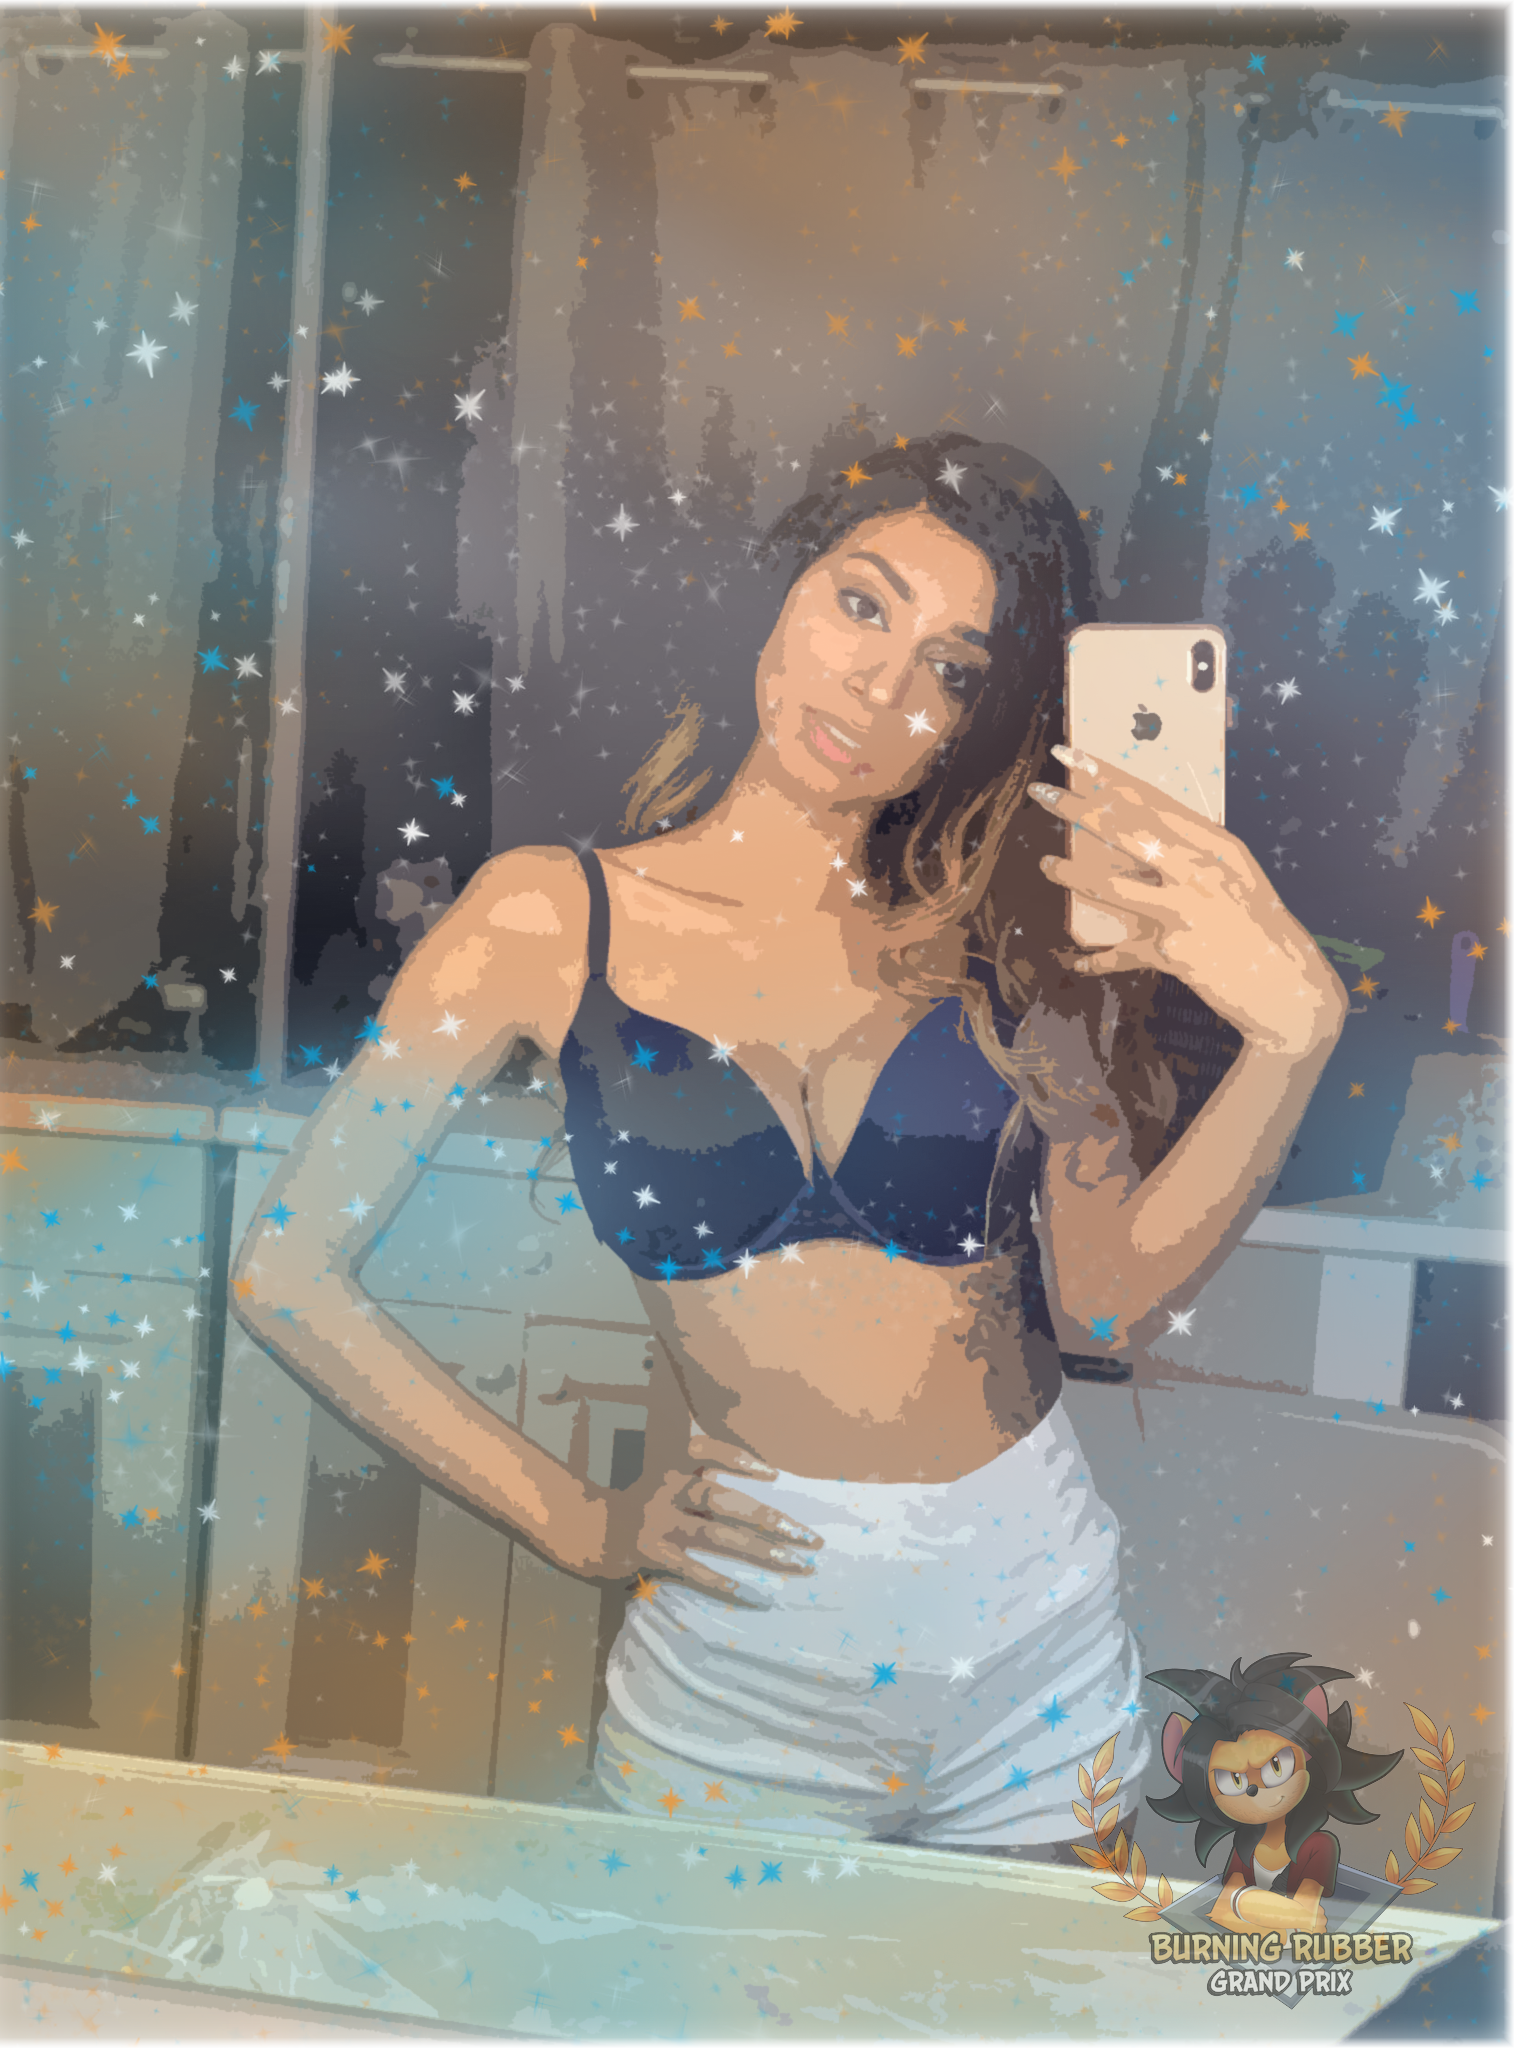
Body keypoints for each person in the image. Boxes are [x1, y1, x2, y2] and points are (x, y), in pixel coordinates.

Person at [232, 434, 1349, 1858]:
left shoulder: (1009, 930)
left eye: (953, 669)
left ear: (980, 717)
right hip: (742, 1666)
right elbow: (285, 1270)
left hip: (1036, 1644)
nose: (880, 688)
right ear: (779, 596)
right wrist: (574, 1522)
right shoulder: (542, 920)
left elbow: (1106, 1301)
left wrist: (1296, 1036)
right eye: (862, 603)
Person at [1147, 1651, 1403, 1932]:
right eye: (1232, 1780)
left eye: (1275, 1767)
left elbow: (1306, 1917)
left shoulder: (1318, 1846)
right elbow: (1221, 1913)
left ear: (1307, 1754)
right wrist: (1273, 1923)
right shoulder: (1244, 1848)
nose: (1254, 1789)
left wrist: (1242, 1903)